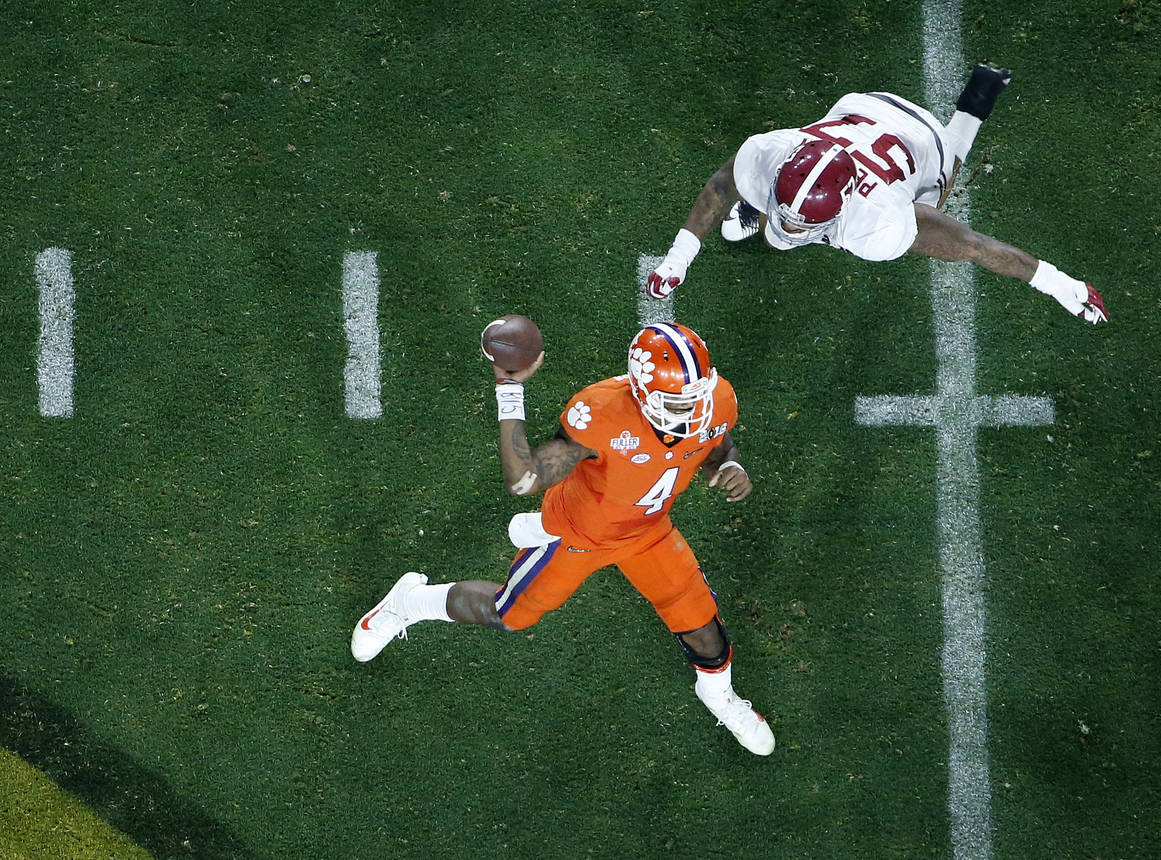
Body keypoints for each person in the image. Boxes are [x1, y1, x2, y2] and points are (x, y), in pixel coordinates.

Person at [350, 322, 775, 756]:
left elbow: (716, 447)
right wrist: (509, 389)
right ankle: (407, 602)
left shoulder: (715, 400)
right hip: (577, 533)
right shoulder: (602, 413)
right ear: (643, 394)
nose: (693, 412)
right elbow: (524, 480)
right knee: (510, 614)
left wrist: (732, 468)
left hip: (648, 530)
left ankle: (718, 695)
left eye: (697, 398)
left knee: (703, 627)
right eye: (679, 402)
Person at [646, 64, 1110, 325]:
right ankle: (759, 205)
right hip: (860, 110)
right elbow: (721, 184)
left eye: (801, 223)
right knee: (758, 190)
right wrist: (678, 256)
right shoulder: (771, 154)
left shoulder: (880, 224)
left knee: (932, 201)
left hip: (921, 140)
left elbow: (972, 246)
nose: (789, 229)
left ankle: (978, 99)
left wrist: (1062, 286)